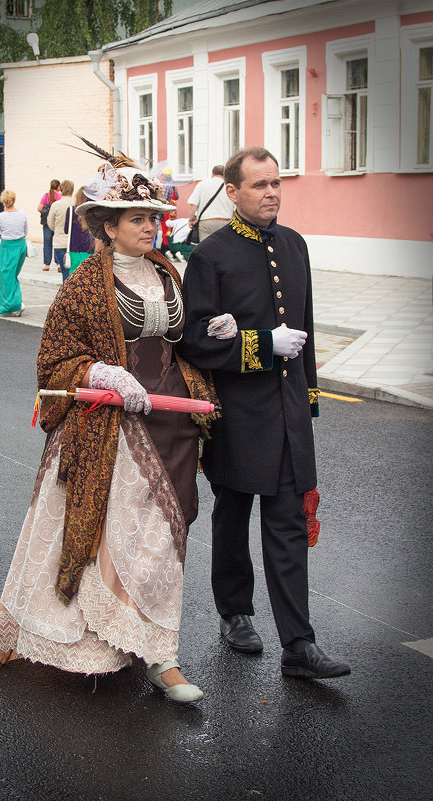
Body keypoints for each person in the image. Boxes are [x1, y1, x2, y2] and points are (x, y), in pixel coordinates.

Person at [0, 152, 218, 703]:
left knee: (164, 537)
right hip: (111, 427)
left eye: (152, 217)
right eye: (134, 218)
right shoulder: (86, 283)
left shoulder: (167, 271)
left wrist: (213, 332)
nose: (147, 226)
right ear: (107, 226)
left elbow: (184, 341)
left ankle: (160, 652)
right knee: (113, 533)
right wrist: (99, 369)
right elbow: (55, 360)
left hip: (173, 421)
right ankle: (105, 644)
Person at [179, 146, 351, 680]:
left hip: (287, 413)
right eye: (259, 185)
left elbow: (308, 327)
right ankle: (235, 613)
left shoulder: (295, 246)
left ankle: (299, 643)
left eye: (276, 183)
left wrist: (310, 397)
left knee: (287, 524)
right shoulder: (211, 256)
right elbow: (193, 342)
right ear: (232, 192)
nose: (272, 192)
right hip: (235, 415)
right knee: (233, 518)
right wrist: (260, 345)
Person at [0, 190, 27, 317]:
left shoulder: (0, 217)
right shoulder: (22, 214)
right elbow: (25, 230)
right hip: (20, 246)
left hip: (7, 247)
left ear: (3, 201)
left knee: (5, 277)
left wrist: (2, 235)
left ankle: (14, 303)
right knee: (13, 275)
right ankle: (15, 302)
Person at [187, 165, 234, 241]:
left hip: (206, 222)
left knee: (206, 249)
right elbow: (236, 208)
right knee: (223, 248)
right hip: (225, 222)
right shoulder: (229, 187)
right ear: (224, 174)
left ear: (212, 174)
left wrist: (191, 220)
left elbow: (193, 204)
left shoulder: (202, 185)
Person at [61, 186, 95, 281]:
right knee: (88, 278)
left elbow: (66, 230)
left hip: (74, 250)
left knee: (73, 279)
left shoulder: (71, 210)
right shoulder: (93, 211)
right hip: (90, 250)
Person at [46, 179, 74, 275]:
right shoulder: (76, 204)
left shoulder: (56, 205)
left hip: (60, 242)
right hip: (73, 242)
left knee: (65, 273)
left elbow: (50, 223)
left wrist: (57, 229)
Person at [37, 178, 61, 272]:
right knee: (57, 243)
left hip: (47, 223)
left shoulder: (46, 196)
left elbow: (39, 208)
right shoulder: (60, 196)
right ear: (58, 187)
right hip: (57, 222)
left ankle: (47, 264)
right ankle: (59, 263)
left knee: (47, 243)